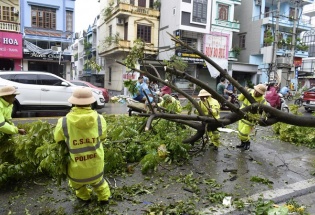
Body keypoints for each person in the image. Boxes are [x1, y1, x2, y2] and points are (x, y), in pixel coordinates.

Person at [54, 87, 111, 205]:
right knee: (99, 183)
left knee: (77, 184)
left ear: (73, 102)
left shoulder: (64, 121)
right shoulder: (100, 119)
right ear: (91, 102)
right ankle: (104, 198)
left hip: (76, 167)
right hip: (95, 163)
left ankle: (84, 197)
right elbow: (103, 137)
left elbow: (58, 139)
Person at [237, 84, 267, 150]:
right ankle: (243, 143)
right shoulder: (249, 91)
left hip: (251, 119)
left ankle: (247, 142)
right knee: (239, 132)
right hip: (242, 115)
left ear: (261, 94)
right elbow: (239, 98)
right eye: (256, 91)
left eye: (258, 92)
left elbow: (265, 111)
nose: (256, 93)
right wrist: (244, 92)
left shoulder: (262, 100)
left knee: (243, 133)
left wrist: (263, 118)